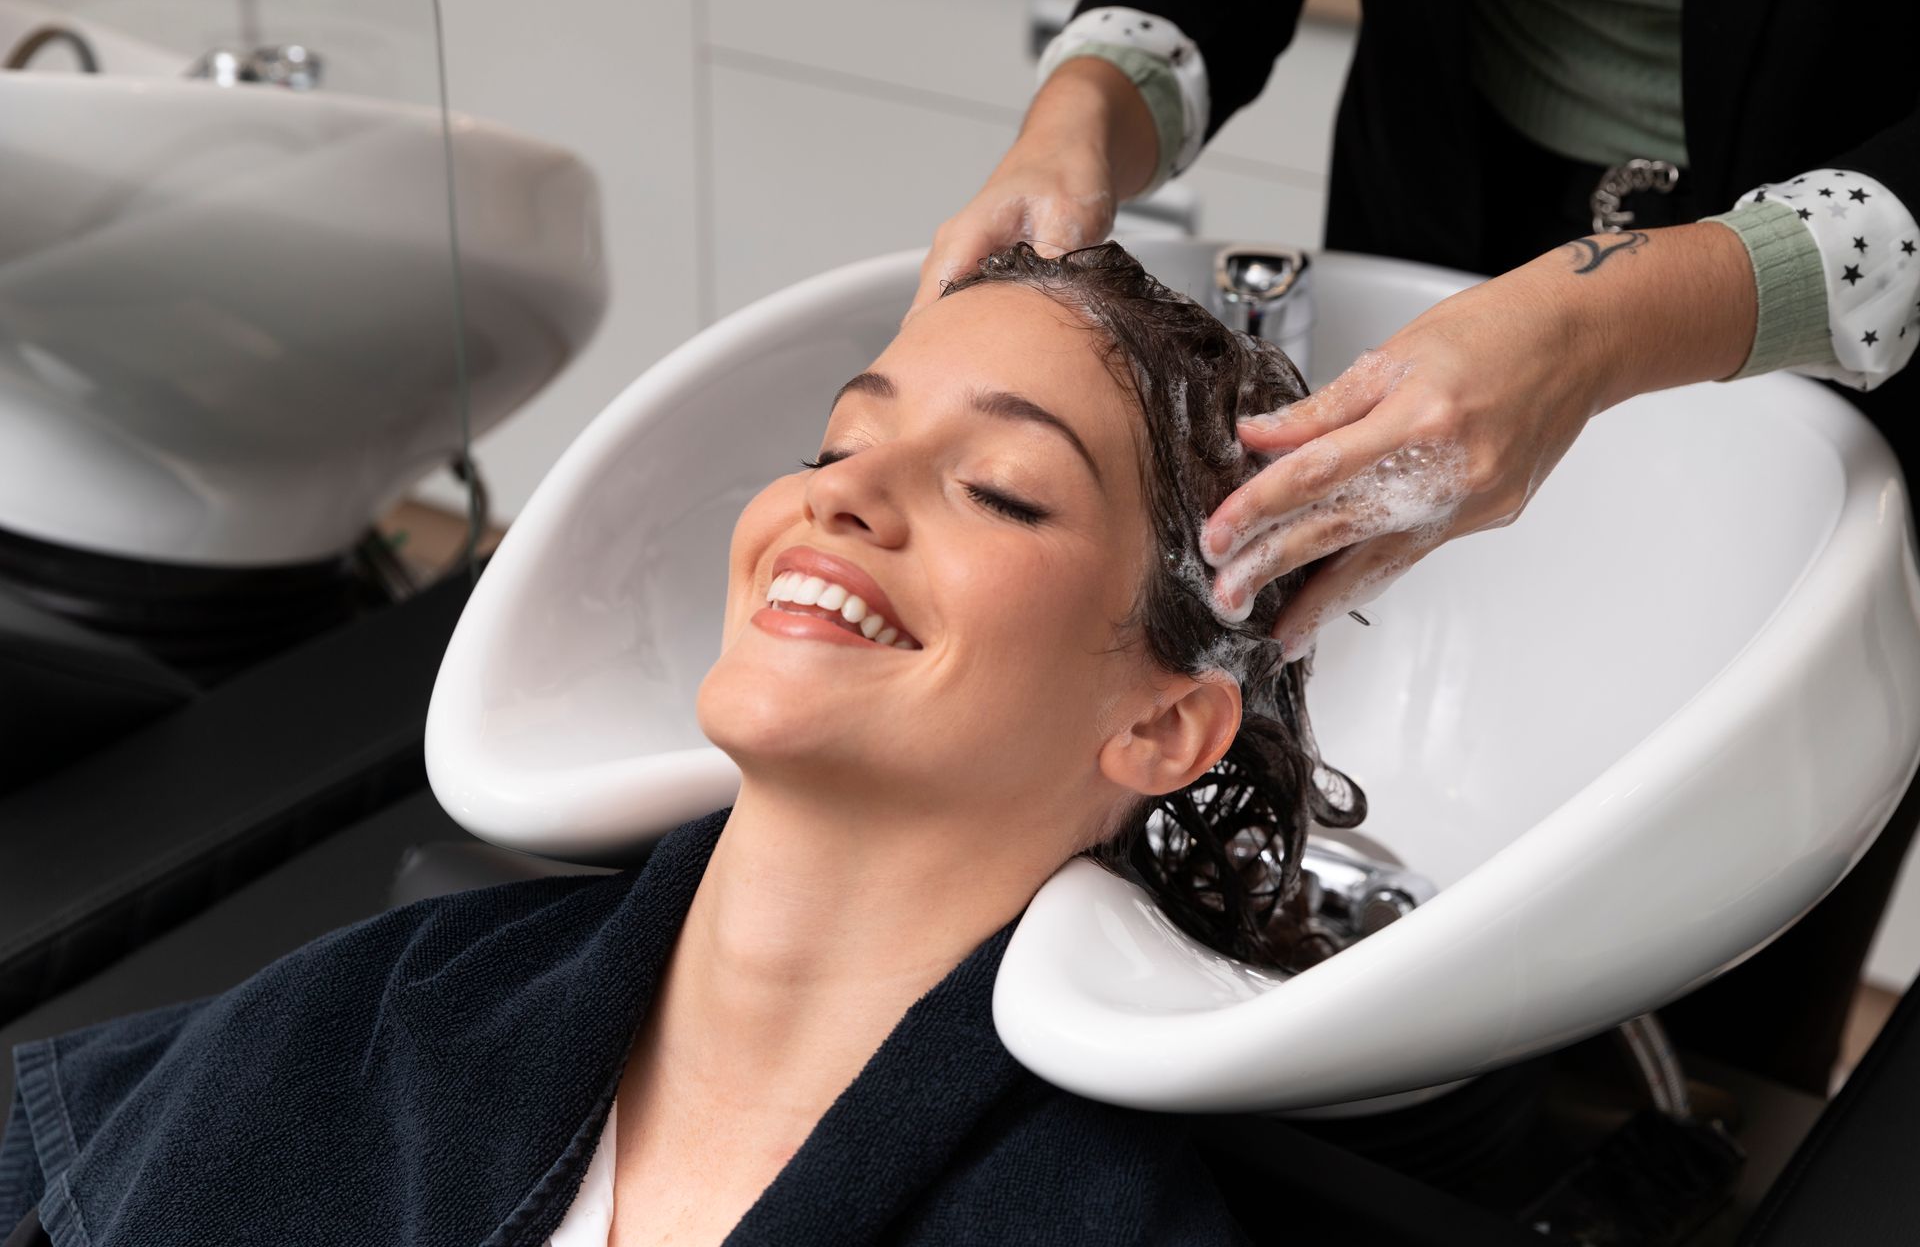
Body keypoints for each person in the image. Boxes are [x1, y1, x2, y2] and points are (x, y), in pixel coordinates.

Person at [1, 243, 1360, 1247]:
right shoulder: (375, 1021)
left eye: (998, 492)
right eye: (835, 446)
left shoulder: (1087, 1227)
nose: (845, 501)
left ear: (1165, 726)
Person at [918, 0, 1920, 1093]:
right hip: (1444, 197)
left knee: (1724, 1050)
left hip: (1840, 322)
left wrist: (1590, 331)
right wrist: (1088, 107)